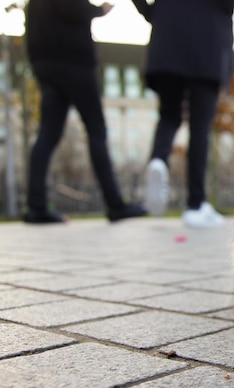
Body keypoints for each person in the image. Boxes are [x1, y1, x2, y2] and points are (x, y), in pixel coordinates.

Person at [23, 0, 147, 224]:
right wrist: (99, 10)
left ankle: (36, 205)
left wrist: (37, 62)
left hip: (45, 64)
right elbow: (73, 9)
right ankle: (115, 204)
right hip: (74, 62)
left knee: (47, 135)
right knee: (96, 131)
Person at [131, 0, 234, 228]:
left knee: (169, 116)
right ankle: (195, 204)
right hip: (207, 48)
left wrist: (153, 13)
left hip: (167, 42)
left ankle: (158, 160)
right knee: (200, 128)